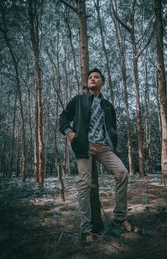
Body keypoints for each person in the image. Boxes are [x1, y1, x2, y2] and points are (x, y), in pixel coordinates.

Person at [59, 68, 131, 244]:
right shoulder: (79, 100)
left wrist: (112, 144)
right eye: (90, 77)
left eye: (96, 77)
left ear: (102, 83)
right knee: (84, 183)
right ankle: (86, 229)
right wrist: (70, 133)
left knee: (122, 173)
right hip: (84, 146)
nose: (92, 79)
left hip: (104, 147)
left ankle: (120, 218)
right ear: (87, 83)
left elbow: (112, 128)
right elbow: (63, 118)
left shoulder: (108, 106)